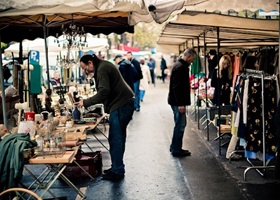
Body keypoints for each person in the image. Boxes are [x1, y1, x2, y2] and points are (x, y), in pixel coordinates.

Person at [77, 54, 135, 181]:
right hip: (124, 103)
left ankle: (118, 170)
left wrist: (85, 102)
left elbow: (104, 91)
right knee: (117, 137)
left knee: (115, 138)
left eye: (85, 68)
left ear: (90, 62)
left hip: (122, 104)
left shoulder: (102, 68)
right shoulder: (103, 66)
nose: (86, 71)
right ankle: (116, 167)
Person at [226, 55, 259, 160]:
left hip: (238, 107)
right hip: (241, 108)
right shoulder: (248, 77)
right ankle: (230, 153)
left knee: (238, 130)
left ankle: (236, 151)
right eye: (256, 62)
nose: (258, 65)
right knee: (237, 130)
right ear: (252, 64)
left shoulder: (242, 75)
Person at [168, 48, 197, 157]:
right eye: (192, 59)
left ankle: (175, 147)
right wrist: (181, 103)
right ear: (188, 56)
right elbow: (177, 87)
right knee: (180, 125)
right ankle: (176, 149)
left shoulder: (179, 66)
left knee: (179, 124)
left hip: (175, 100)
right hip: (177, 102)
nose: (192, 61)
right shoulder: (181, 68)